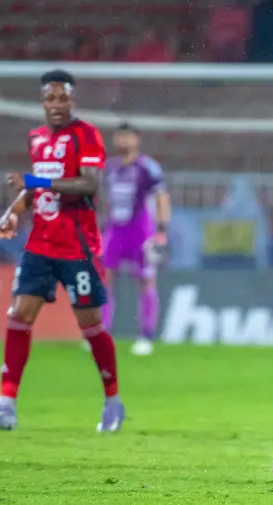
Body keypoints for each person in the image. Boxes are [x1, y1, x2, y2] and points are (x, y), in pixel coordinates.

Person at [0, 69, 125, 432]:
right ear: (42, 102)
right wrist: (12, 212)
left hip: (77, 246)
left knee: (90, 324)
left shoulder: (86, 135)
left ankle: (113, 401)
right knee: (19, 314)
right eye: (50, 98)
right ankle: (5, 405)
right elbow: (33, 189)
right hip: (40, 243)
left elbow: (88, 184)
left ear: (72, 99)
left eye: (62, 98)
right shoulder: (37, 138)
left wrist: (36, 180)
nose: (56, 104)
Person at [101, 123, 170, 356]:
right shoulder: (111, 167)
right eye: (119, 136)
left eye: (127, 136)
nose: (123, 141)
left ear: (137, 140)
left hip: (140, 231)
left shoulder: (147, 167)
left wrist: (161, 229)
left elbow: (162, 197)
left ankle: (146, 335)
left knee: (145, 280)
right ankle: (102, 332)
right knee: (104, 277)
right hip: (115, 229)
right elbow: (106, 199)